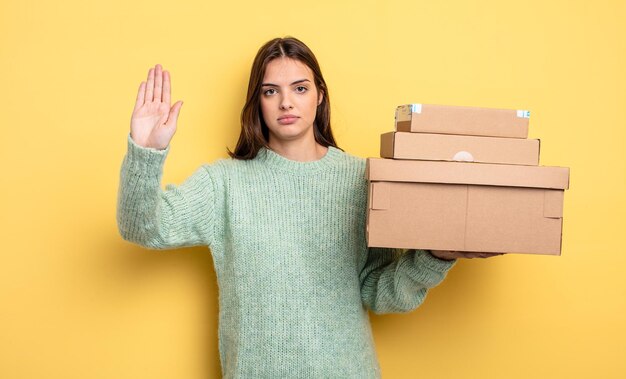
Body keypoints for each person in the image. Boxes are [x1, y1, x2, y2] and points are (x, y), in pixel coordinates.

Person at [117, 36, 502, 378]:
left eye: (299, 88)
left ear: (320, 94)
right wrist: (146, 152)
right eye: (270, 91)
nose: (286, 102)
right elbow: (144, 228)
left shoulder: (363, 180)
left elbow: (379, 292)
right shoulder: (224, 183)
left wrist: (435, 256)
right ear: (257, 102)